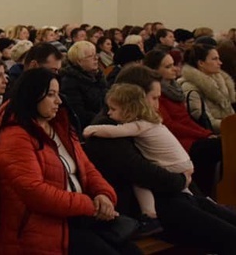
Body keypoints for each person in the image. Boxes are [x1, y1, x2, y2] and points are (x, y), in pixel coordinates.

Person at [84, 64, 236, 253]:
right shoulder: (107, 129)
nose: (157, 105)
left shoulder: (137, 121)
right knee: (229, 236)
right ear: (135, 98)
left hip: (167, 195)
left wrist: (196, 193)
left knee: (226, 218)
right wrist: (181, 180)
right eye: (154, 98)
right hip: (143, 209)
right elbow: (140, 171)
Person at [0, 68, 140, 254]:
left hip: (76, 220)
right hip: (40, 229)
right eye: (51, 95)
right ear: (32, 96)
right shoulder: (14, 136)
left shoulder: (59, 126)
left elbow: (87, 168)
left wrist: (103, 194)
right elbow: (34, 192)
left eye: (58, 94)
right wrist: (88, 205)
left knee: (132, 251)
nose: (59, 101)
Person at [83, 84, 193, 230]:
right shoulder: (152, 121)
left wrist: (91, 129)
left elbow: (114, 132)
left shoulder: (140, 124)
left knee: (141, 180)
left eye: (113, 109)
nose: (108, 113)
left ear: (129, 110)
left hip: (172, 164)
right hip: (182, 162)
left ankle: (149, 215)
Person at [143, 50, 221, 197]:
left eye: (174, 65)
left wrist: (207, 134)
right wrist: (204, 135)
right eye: (168, 66)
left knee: (221, 144)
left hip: (190, 137)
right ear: (155, 71)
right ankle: (211, 193)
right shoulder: (157, 94)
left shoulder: (174, 89)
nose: (175, 69)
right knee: (219, 146)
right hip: (180, 142)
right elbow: (170, 125)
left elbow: (186, 120)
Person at [178, 43, 236, 133]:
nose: (220, 63)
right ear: (201, 63)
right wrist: (231, 126)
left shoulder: (220, 81)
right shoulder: (190, 87)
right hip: (216, 135)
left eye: (219, 58)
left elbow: (229, 112)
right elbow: (206, 122)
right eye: (214, 59)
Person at [61, 40, 108, 133]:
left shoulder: (98, 76)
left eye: (95, 54)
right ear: (79, 61)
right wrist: (105, 120)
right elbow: (79, 113)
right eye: (91, 56)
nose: (96, 58)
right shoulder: (69, 81)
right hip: (87, 128)